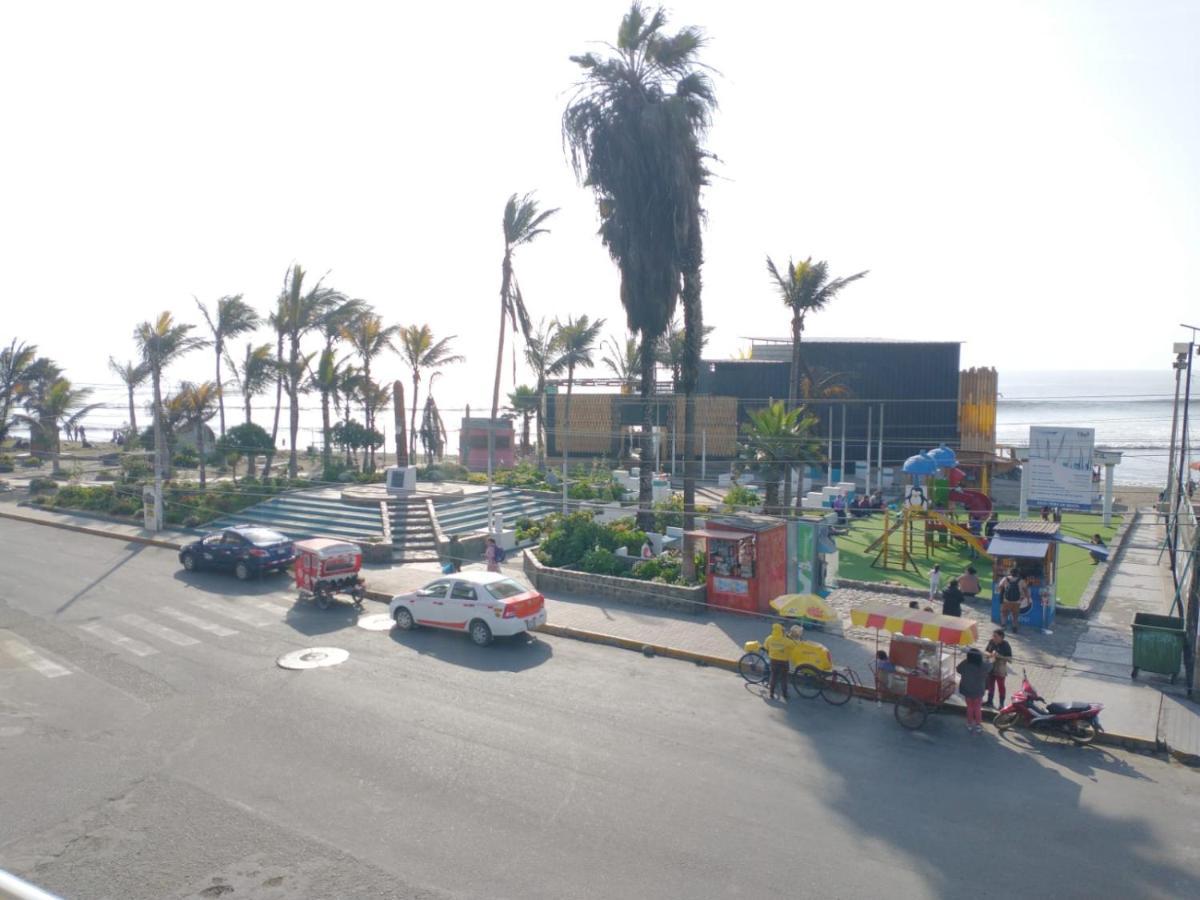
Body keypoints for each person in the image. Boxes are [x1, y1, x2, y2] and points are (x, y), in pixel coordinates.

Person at [957, 647, 991, 733]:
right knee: (977, 707)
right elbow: (990, 665)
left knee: (969, 707)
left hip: (967, 688)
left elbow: (958, 669)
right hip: (978, 690)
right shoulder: (983, 665)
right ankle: (978, 725)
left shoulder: (965, 663)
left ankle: (969, 724)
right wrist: (989, 657)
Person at [763, 623, 796, 701]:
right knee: (784, 678)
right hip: (784, 661)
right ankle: (785, 694)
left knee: (773, 677)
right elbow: (794, 646)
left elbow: (765, 647)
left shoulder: (769, 638)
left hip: (773, 660)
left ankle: (771, 693)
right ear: (781, 631)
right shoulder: (786, 640)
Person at [985, 629, 1013, 709]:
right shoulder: (991, 642)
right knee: (990, 685)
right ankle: (989, 702)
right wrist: (990, 654)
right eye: (993, 636)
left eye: (995, 636)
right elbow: (986, 651)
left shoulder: (1006, 645)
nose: (993, 638)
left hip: (1000, 669)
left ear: (1001, 637)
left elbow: (1010, 659)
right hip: (991, 667)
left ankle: (1001, 704)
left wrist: (999, 656)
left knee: (1001, 686)